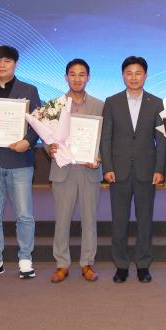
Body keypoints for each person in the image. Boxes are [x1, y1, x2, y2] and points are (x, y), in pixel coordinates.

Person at [0, 46, 41, 280]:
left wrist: (28, 141)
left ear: (16, 64)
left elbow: (37, 123)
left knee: (24, 214)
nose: (2, 65)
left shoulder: (29, 90)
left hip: (20, 160)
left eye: (7, 61)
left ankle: (25, 258)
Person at [100, 56, 166, 283]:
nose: (134, 77)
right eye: (129, 73)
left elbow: (161, 140)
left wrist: (159, 168)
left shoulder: (156, 103)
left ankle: (143, 264)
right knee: (119, 220)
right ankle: (120, 265)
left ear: (145, 75)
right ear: (123, 75)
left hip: (147, 170)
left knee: (145, 220)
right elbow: (106, 137)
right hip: (118, 171)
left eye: (138, 73)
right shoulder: (112, 102)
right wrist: (107, 167)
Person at [45, 59, 104, 283]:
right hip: (63, 171)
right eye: (72, 74)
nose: (77, 79)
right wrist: (49, 148)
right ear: (66, 77)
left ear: (88, 77)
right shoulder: (54, 106)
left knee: (90, 220)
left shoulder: (100, 105)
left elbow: (105, 138)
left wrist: (99, 158)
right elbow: (46, 137)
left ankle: (87, 263)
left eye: (81, 74)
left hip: (89, 171)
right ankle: (62, 264)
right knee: (62, 220)